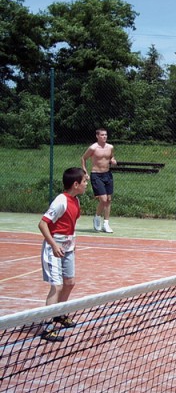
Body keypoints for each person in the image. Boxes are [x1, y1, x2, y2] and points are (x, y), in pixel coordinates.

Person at [38, 167, 88, 342]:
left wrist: (73, 244)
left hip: (68, 247)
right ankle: (47, 327)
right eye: (84, 181)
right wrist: (53, 245)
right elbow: (42, 224)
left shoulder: (76, 201)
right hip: (54, 247)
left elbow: (70, 226)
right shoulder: (61, 201)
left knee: (69, 282)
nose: (86, 184)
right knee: (57, 286)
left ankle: (59, 314)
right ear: (76, 184)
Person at [82, 128, 117, 233]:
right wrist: (85, 173)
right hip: (96, 175)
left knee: (108, 199)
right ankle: (97, 217)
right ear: (97, 136)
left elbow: (111, 157)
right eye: (102, 135)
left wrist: (113, 160)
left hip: (107, 174)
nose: (104, 136)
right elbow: (83, 158)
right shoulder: (93, 148)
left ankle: (106, 223)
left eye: (105, 135)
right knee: (103, 199)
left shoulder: (110, 147)